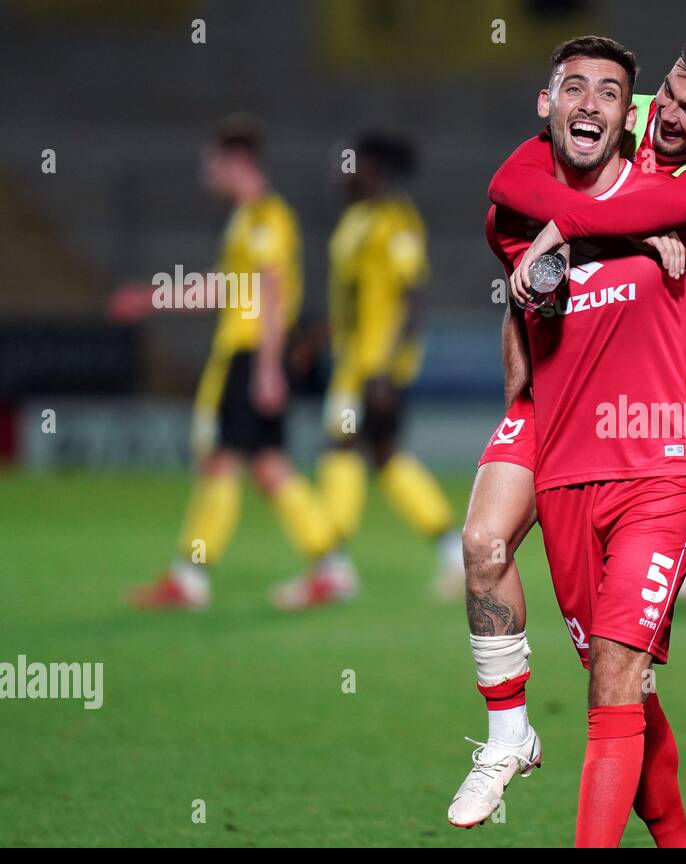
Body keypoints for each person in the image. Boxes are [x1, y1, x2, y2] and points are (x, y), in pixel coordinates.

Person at [458, 26, 686, 814]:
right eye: (670, 96)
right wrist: (571, 232)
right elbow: (513, 186)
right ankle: (510, 731)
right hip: (570, 413)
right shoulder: (612, 119)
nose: (669, 118)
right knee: (596, 657)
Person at [114, 114, 343, 611]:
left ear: (235, 162)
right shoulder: (247, 219)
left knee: (221, 460)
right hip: (253, 353)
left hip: (250, 355)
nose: (208, 172)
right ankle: (330, 568)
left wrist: (265, 367)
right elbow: (224, 287)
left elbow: (271, 288)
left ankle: (190, 578)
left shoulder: (264, 216)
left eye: (212, 162)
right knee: (266, 466)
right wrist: (154, 297)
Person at [279, 132, 459, 608]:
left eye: (348, 162)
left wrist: (389, 368)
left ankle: (333, 567)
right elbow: (353, 300)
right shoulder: (356, 221)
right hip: (354, 362)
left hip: (373, 369)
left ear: (373, 169)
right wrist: (317, 339)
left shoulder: (395, 221)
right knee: (385, 455)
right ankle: (456, 555)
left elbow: (412, 295)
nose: (338, 170)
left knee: (340, 449)